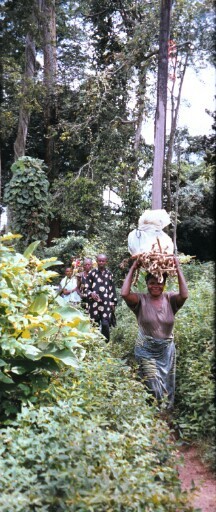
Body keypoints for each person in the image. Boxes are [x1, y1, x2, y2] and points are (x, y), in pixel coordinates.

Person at [121, 255, 188, 409]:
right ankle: (155, 414)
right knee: (152, 383)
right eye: (151, 283)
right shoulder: (140, 300)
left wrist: (178, 267)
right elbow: (124, 294)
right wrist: (133, 268)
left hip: (166, 350)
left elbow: (184, 295)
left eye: (159, 283)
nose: (155, 286)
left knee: (166, 383)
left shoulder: (170, 299)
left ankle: (166, 413)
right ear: (147, 284)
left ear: (164, 284)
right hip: (145, 349)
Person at [84, 254, 117, 342]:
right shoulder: (92, 273)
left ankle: (105, 342)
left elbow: (112, 289)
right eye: (99, 261)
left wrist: (113, 302)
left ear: (106, 262)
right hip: (94, 304)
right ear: (97, 261)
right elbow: (86, 288)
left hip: (106, 303)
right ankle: (96, 343)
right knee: (95, 324)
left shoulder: (109, 274)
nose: (101, 262)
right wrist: (91, 294)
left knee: (105, 323)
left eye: (103, 261)